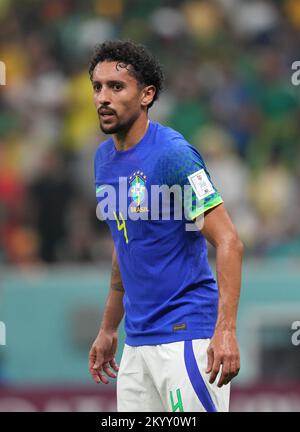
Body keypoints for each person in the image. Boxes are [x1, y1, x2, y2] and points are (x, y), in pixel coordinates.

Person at [88, 40, 243, 412]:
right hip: (137, 345)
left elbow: (228, 241)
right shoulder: (103, 159)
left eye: (116, 87)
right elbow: (125, 244)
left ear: (147, 95)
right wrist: (110, 327)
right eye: (97, 87)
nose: (103, 98)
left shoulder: (173, 156)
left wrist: (225, 330)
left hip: (185, 337)